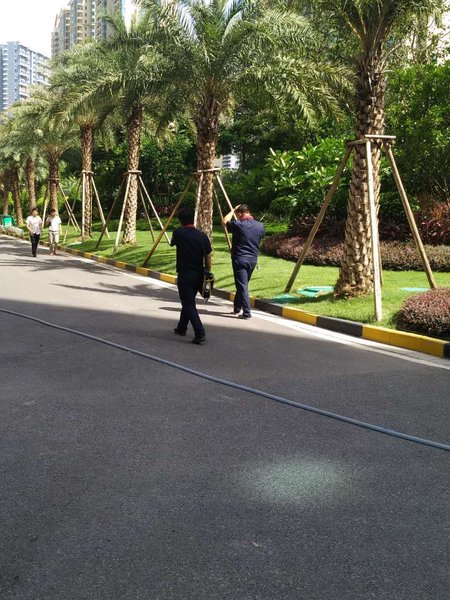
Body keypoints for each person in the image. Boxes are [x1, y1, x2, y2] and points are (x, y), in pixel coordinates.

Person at [170, 207, 212, 344]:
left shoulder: (178, 233)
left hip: (185, 274)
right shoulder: (202, 236)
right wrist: (208, 271)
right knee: (188, 301)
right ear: (193, 219)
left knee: (188, 303)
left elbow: (172, 243)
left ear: (180, 221)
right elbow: (208, 256)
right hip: (199, 274)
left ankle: (200, 332)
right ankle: (181, 328)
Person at [222, 204, 265, 319]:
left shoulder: (238, 224)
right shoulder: (260, 226)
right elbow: (260, 237)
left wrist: (233, 210)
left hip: (240, 259)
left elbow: (224, 221)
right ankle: (237, 308)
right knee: (242, 285)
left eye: (237, 215)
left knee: (242, 286)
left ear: (240, 213)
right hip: (253, 260)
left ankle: (246, 312)